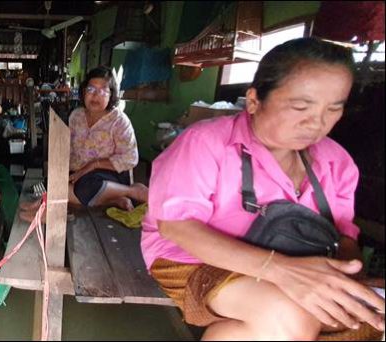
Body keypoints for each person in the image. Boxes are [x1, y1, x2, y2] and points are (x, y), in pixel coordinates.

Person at [141, 37, 385, 340]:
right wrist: (281, 270)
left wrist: (348, 278)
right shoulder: (206, 142)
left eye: (334, 108)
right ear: (254, 100)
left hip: (296, 259)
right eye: (300, 107)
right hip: (193, 259)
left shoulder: (336, 161)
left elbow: (344, 236)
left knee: (364, 317)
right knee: (288, 314)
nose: (317, 122)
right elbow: (178, 228)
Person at [67, 66, 148, 211]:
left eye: (103, 91)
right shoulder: (76, 116)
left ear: (111, 95)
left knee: (85, 186)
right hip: (79, 174)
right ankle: (113, 200)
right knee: (55, 184)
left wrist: (93, 165)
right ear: (84, 91)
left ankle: (131, 191)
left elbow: (131, 158)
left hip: (107, 177)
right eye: (91, 89)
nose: (96, 95)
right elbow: (70, 148)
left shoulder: (119, 121)